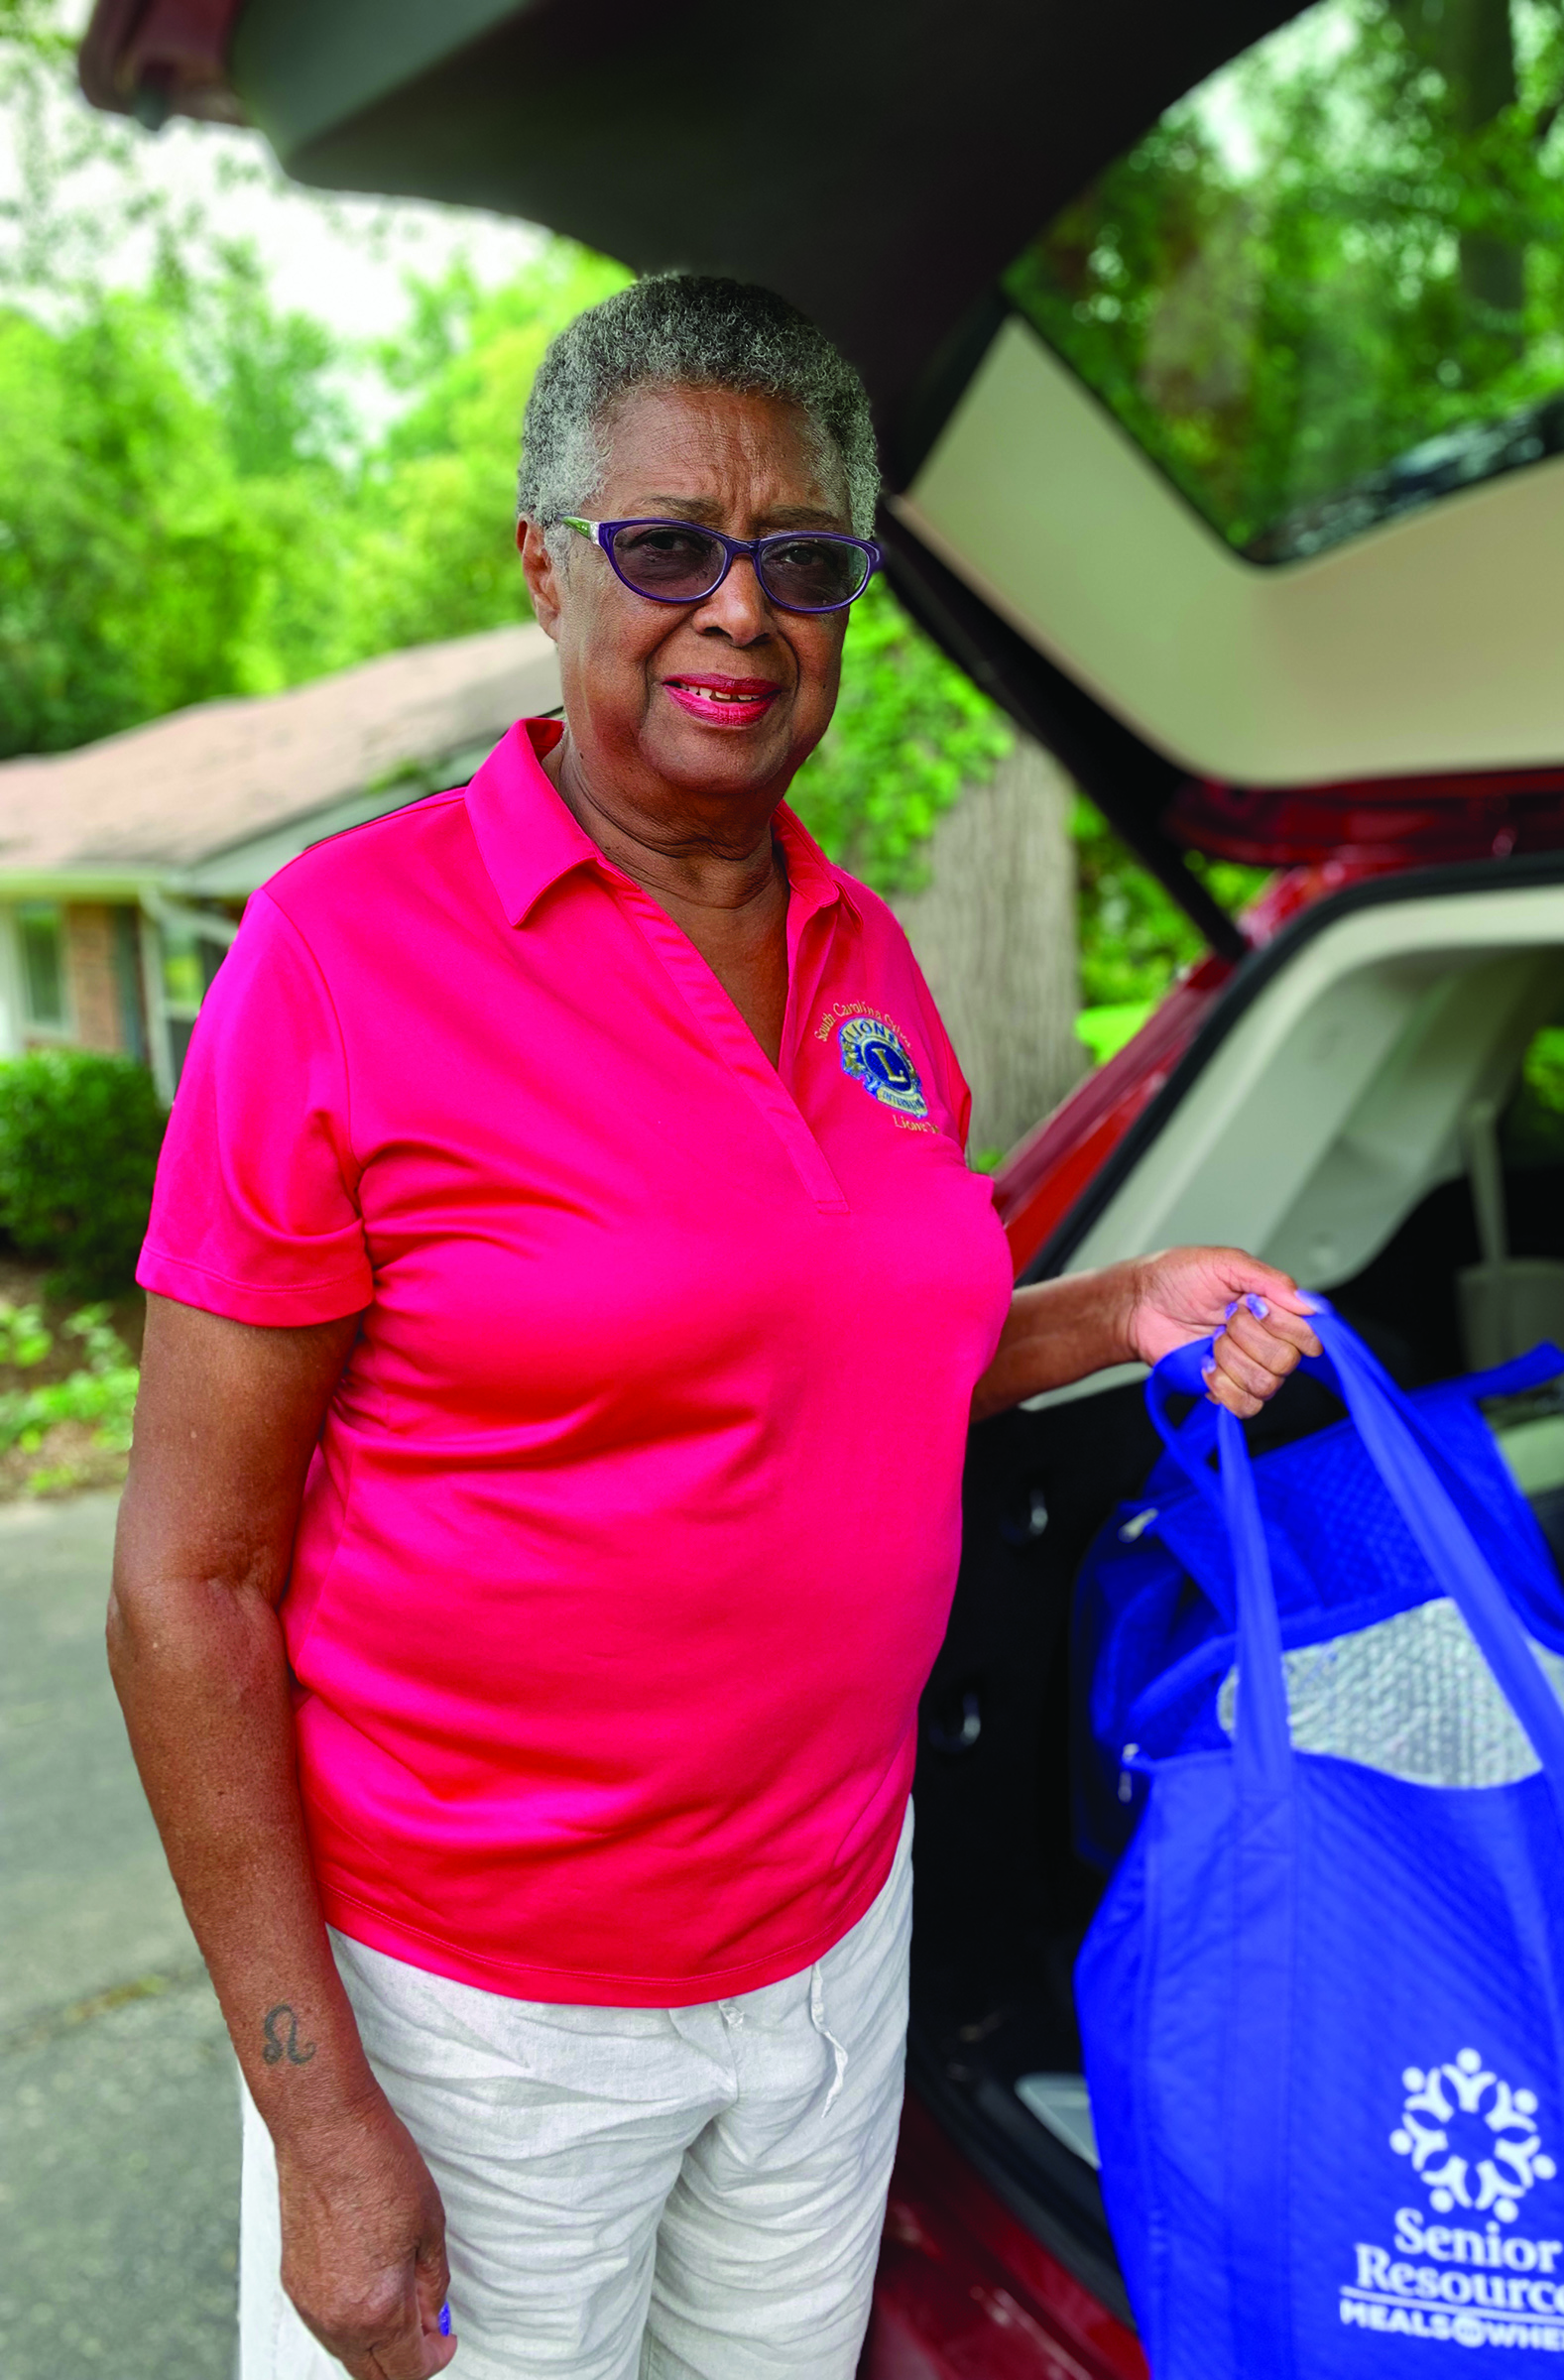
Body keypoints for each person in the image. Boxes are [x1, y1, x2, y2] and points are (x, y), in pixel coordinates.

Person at [108, 274, 1320, 2380]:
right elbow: (182, 1583)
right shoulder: (338, 954)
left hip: (833, 1962)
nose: (737, 614)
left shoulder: (868, 954)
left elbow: (865, 1341)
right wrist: (319, 2115)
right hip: (481, 2020)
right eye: (668, 546)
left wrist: (1118, 1304)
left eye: (804, 562)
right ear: (546, 563)